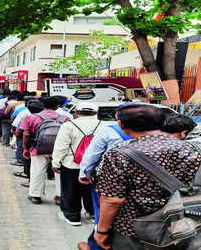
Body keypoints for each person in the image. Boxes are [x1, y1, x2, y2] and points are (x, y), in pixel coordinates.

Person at [95, 104, 201, 249]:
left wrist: (101, 230)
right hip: (184, 224)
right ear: (163, 122)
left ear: (121, 125)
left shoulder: (119, 155)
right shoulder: (193, 149)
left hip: (135, 230)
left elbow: (112, 199)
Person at [77, 106, 133, 250]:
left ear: (118, 119)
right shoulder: (160, 138)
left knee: (103, 213)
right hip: (143, 185)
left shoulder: (109, 131)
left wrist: (84, 173)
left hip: (108, 182)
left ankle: (97, 245)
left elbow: (92, 155)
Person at [52, 102, 100, 226]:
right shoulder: (103, 125)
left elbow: (61, 147)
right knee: (92, 190)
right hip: (95, 165)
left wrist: (56, 163)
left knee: (70, 190)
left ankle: (73, 216)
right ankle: (94, 214)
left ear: (77, 112)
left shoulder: (69, 125)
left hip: (71, 164)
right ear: (95, 112)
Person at [21, 96, 69, 204]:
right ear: (57, 106)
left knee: (37, 172)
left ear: (42, 105)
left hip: (38, 149)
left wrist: (25, 149)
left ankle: (35, 196)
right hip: (59, 150)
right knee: (60, 173)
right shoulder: (66, 118)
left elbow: (26, 134)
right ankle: (60, 196)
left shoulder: (31, 117)